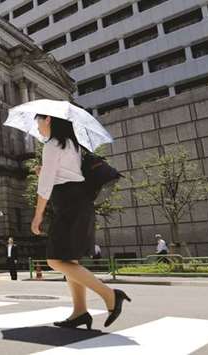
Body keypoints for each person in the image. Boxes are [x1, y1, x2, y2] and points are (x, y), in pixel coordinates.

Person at [31, 114, 130, 330]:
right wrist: (44, 172)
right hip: (77, 202)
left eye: (38, 120)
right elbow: (65, 174)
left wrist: (37, 215)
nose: (36, 125)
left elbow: (46, 185)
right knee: (69, 261)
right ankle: (80, 312)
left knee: (55, 260)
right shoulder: (72, 145)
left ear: (48, 119)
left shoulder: (52, 145)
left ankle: (111, 295)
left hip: (69, 205)